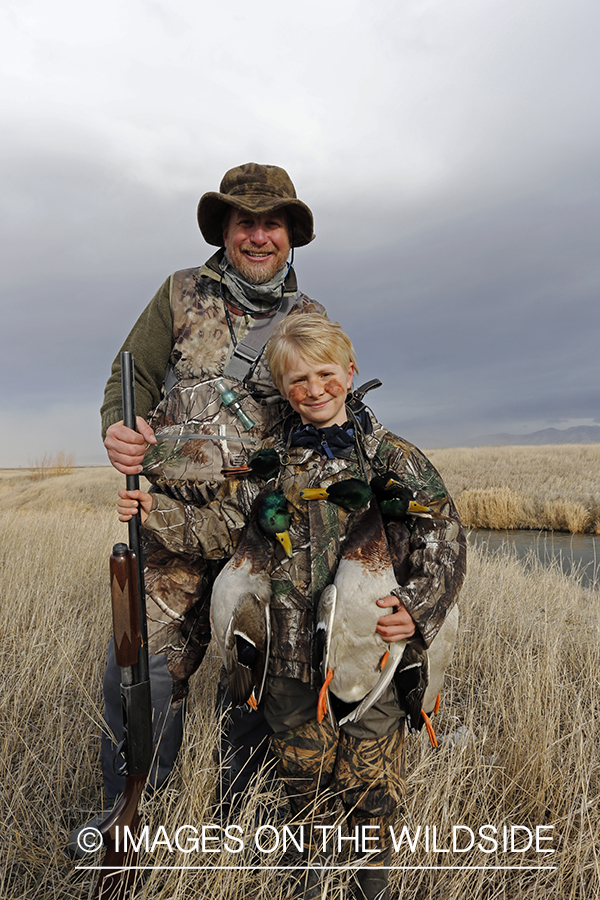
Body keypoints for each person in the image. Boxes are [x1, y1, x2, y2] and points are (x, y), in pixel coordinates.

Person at [95, 163, 414, 816]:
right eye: (247, 221)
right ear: (227, 230)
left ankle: (235, 817)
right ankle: (131, 819)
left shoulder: (307, 317)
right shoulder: (179, 295)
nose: (260, 236)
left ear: (290, 234)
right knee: (143, 678)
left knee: (259, 684)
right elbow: (128, 380)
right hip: (173, 531)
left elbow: (326, 407)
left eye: (273, 223)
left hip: (264, 537)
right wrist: (120, 432)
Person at [117, 314, 467, 900]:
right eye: (298, 380)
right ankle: (304, 884)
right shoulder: (268, 465)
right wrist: (154, 512)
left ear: (349, 372)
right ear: (283, 389)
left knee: (370, 788)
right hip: (287, 658)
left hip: (370, 659)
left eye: (325, 373)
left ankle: (368, 887)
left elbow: (446, 538)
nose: (314, 389)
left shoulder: (393, 458)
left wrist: (419, 609)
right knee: (301, 782)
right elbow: (223, 532)